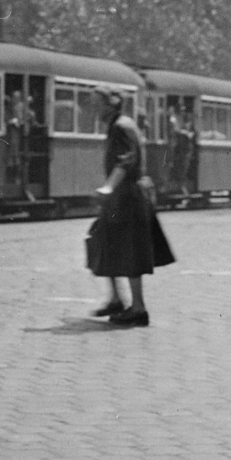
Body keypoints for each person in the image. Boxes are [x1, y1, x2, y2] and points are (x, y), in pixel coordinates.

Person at [88, 88, 173, 326]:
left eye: (97, 105)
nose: (93, 110)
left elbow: (127, 160)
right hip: (122, 196)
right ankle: (116, 298)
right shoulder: (120, 124)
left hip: (128, 197)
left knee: (130, 250)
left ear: (111, 105)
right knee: (104, 241)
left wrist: (108, 187)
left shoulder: (121, 127)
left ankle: (138, 308)